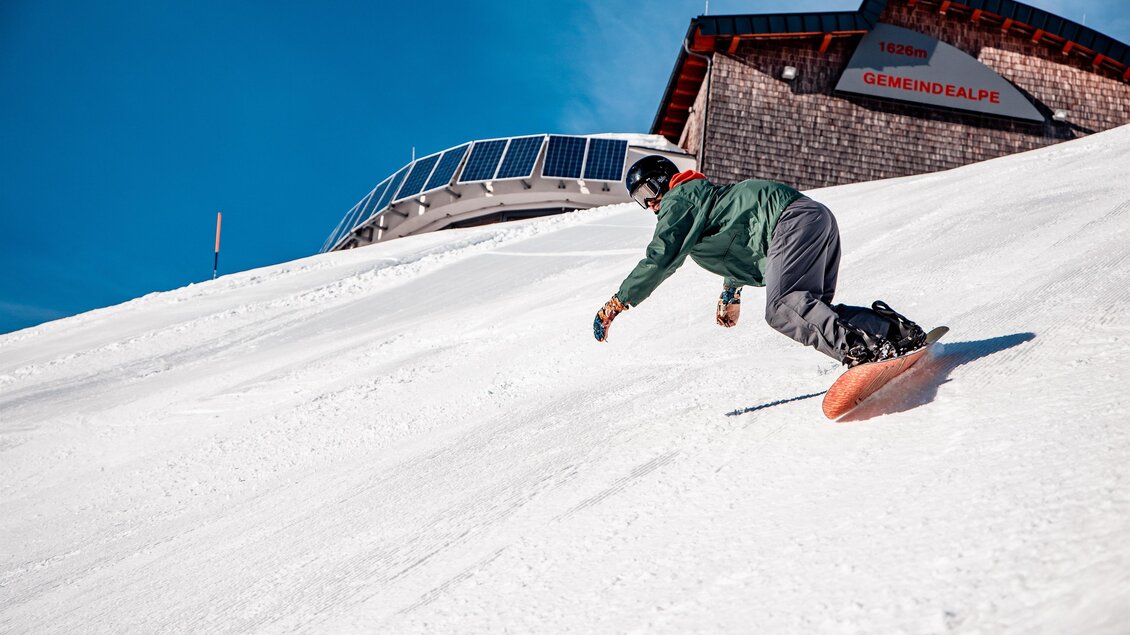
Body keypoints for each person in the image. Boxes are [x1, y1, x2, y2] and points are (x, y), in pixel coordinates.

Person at [592, 155, 926, 367]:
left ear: (662, 180)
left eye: (647, 192)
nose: (649, 204)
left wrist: (619, 302)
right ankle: (894, 333)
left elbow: (661, 256)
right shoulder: (706, 201)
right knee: (809, 310)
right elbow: (741, 243)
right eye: (640, 200)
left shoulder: (680, 199)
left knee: (782, 308)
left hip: (790, 221)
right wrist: (730, 291)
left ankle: (858, 351)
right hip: (813, 217)